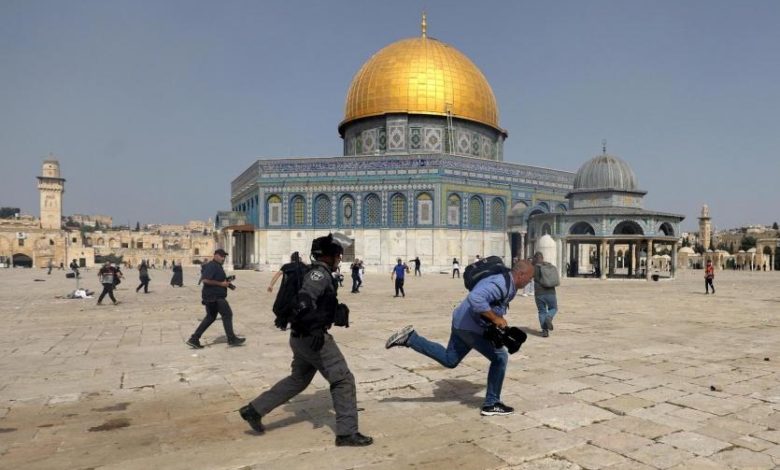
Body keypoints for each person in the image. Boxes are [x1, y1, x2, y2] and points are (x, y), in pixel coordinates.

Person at [239, 234, 373, 447]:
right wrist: (315, 326)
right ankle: (347, 433)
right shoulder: (318, 274)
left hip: (300, 338)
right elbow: (304, 299)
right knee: (342, 379)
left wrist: (334, 312)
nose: (339, 258)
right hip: (313, 339)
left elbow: (317, 302)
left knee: (298, 379)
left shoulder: (319, 272)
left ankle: (254, 410)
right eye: (337, 255)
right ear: (327, 256)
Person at [386, 260, 535, 416]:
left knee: (450, 360)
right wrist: (495, 318)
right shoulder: (501, 284)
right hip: (469, 327)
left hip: (462, 321)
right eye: (530, 277)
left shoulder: (508, 283)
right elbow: (475, 297)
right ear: (521, 274)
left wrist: (497, 318)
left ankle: (410, 338)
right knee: (500, 357)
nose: (530, 281)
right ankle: (491, 403)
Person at [186, 249, 246, 348]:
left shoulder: (217, 266)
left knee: (210, 317)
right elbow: (205, 280)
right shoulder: (212, 265)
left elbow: (218, 279)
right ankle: (231, 339)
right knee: (227, 314)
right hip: (215, 296)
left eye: (224, 256)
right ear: (215, 255)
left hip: (211, 296)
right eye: (221, 256)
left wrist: (228, 284)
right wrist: (221, 284)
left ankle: (194, 339)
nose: (223, 258)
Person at [533, 252, 558, 337]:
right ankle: (549, 317)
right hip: (550, 291)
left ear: (535, 258)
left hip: (539, 293)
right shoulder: (549, 265)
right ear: (542, 258)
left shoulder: (534, 268)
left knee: (542, 311)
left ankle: (545, 331)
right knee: (553, 308)